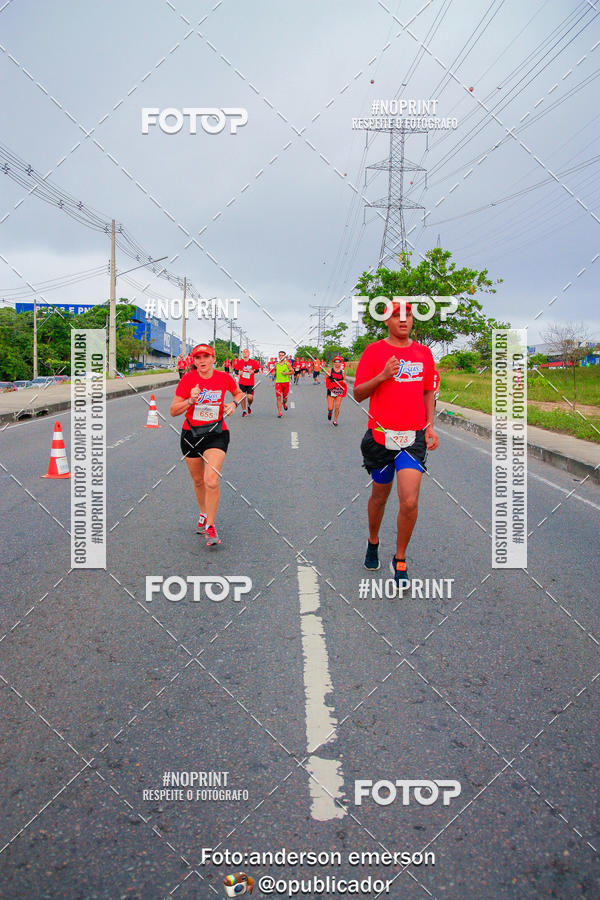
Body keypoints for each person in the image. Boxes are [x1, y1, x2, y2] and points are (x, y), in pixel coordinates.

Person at [353, 302, 439, 585]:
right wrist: (382, 376)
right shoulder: (374, 351)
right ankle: (373, 541)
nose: (404, 320)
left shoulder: (423, 353)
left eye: (409, 315)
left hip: (412, 437)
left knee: (410, 500)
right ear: (387, 321)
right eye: (397, 316)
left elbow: (428, 391)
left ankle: (400, 558)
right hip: (380, 437)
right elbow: (358, 394)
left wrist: (430, 426)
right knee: (379, 496)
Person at [170, 343, 244, 546]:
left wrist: (234, 404)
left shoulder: (224, 378)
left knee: (211, 479)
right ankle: (203, 512)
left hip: (216, 433)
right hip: (191, 434)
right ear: (193, 361)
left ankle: (210, 526)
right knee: (198, 481)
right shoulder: (188, 379)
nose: (201, 361)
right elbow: (173, 410)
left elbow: (238, 393)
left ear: (214, 359)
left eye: (206, 357)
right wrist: (190, 401)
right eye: (197, 357)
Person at [234, 348, 260, 416]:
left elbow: (257, 370)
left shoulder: (253, 362)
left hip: (250, 383)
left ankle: (249, 405)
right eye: (244, 352)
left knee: (250, 397)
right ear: (242, 354)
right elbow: (235, 371)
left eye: (246, 352)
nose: (245, 353)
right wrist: (238, 372)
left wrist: (253, 371)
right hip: (242, 382)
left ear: (249, 354)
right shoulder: (240, 362)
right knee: (242, 397)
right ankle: (244, 410)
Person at [325, 356, 347, 426]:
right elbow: (325, 379)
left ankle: (335, 420)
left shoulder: (342, 372)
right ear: (334, 363)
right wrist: (329, 383)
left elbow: (344, 381)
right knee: (330, 407)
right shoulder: (330, 371)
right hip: (331, 390)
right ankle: (330, 412)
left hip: (339, 391)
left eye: (339, 362)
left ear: (341, 363)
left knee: (337, 407)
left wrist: (344, 382)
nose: (337, 364)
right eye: (336, 362)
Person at [274, 350, 292, 417]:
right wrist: (273, 373)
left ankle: (284, 403)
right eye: (279, 355)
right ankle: (280, 412)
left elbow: (292, 371)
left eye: (282, 355)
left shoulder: (287, 363)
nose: (280, 356)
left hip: (286, 383)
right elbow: (274, 372)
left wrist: (286, 373)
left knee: (285, 399)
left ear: (284, 356)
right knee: (278, 397)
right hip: (278, 383)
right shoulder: (277, 364)